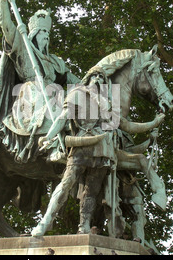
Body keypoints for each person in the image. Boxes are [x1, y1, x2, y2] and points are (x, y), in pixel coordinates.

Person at [0, 0, 80, 163]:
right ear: (34, 33)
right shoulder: (23, 46)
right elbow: (6, 25)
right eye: (42, 32)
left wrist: (94, 86)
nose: (45, 36)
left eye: (47, 33)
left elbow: (74, 80)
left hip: (52, 93)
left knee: (74, 104)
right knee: (49, 96)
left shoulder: (54, 61)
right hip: (29, 95)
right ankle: (51, 145)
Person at [33, 66, 126, 236]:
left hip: (102, 149)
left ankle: (84, 225)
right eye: (95, 75)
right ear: (88, 76)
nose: (98, 78)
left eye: (101, 77)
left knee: (92, 191)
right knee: (66, 183)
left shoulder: (105, 100)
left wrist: (98, 96)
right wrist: (48, 136)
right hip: (81, 145)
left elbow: (110, 120)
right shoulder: (76, 94)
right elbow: (62, 118)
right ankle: (46, 221)